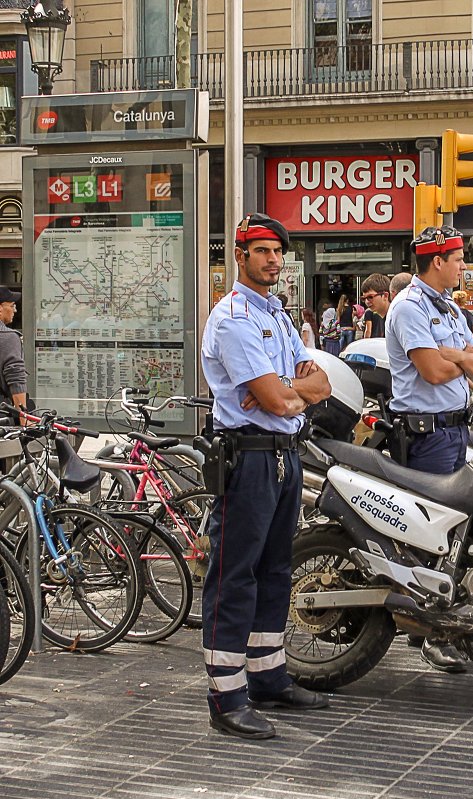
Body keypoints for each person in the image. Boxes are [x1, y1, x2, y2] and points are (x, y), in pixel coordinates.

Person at [199, 213, 333, 739]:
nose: (273, 259)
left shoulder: (277, 314)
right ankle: (226, 694)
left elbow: (319, 384)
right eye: (262, 251)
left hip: (284, 452)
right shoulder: (231, 316)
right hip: (248, 457)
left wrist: (286, 393)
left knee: (277, 570)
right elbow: (280, 399)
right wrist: (284, 393)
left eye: (278, 251)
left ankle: (268, 676)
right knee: (236, 575)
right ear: (240, 255)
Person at [386, 226, 473, 674]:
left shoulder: (446, 306)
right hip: (426, 436)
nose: (464, 265)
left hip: (454, 431)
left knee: (456, 534)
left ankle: (444, 622)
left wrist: (460, 356)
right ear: (438, 261)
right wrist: (458, 359)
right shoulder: (409, 306)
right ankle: (426, 634)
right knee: (427, 539)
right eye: (459, 257)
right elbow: (430, 370)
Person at [0, 286, 27, 414]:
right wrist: (25, 421)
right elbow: (16, 379)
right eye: (11, 306)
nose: (14, 311)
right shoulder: (8, 337)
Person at [360, 273, 391, 339]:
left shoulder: (396, 317)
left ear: (385, 296)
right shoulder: (387, 317)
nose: (367, 302)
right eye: (364, 298)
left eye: (370, 297)